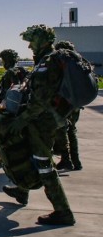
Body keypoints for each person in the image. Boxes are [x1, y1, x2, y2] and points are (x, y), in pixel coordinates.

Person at [4, 25, 76, 226]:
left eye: (32, 41)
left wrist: (22, 119)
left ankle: (63, 211)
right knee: (29, 154)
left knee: (44, 164)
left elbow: (41, 99)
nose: (29, 45)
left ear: (43, 40)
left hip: (43, 120)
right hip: (45, 118)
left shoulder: (49, 62)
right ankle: (22, 189)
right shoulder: (47, 60)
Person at [52, 40, 83, 171]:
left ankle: (66, 159)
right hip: (76, 103)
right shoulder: (78, 62)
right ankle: (76, 161)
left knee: (61, 130)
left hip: (64, 103)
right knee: (72, 130)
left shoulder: (61, 63)